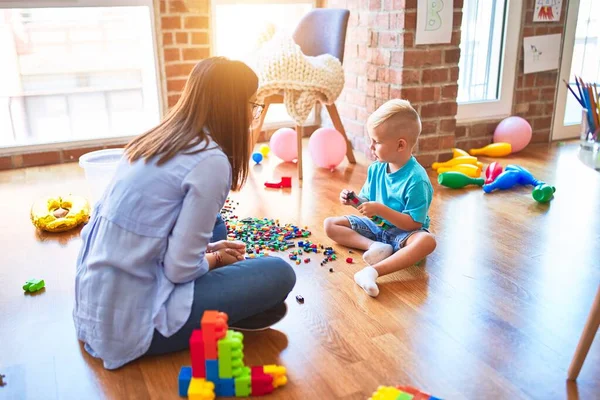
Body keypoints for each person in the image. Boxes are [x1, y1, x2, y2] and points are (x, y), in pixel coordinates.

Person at [73, 57, 296, 370]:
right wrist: (215, 259)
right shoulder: (210, 160)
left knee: (215, 226)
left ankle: (229, 297)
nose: (253, 113)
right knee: (280, 273)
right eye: (252, 103)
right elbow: (179, 270)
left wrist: (207, 248)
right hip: (133, 325)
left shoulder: (156, 139)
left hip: (95, 307)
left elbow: (153, 229)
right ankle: (228, 307)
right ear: (231, 106)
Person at [324, 99, 436, 297]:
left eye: (376, 141)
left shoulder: (417, 180)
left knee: (427, 242)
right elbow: (367, 200)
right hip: (376, 228)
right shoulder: (376, 168)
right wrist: (355, 200)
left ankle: (373, 271)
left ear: (400, 145)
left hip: (404, 234)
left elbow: (413, 223)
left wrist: (380, 210)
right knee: (330, 224)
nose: (371, 146)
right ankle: (376, 247)